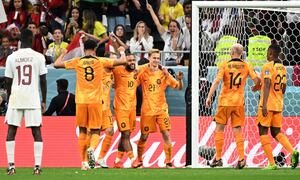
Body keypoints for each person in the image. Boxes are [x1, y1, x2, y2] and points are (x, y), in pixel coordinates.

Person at [54, 39, 127, 170]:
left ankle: (84, 163)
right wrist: (122, 52)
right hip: (95, 101)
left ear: (84, 48)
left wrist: (63, 53)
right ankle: (92, 149)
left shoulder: (78, 61)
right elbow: (123, 61)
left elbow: (56, 64)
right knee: (95, 130)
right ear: (95, 49)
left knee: (82, 130)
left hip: (81, 100)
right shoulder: (100, 61)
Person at [205, 43, 260, 169]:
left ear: (231, 52)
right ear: (241, 53)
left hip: (225, 102)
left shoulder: (225, 64)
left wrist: (209, 96)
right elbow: (257, 80)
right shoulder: (246, 66)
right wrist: (256, 87)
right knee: (237, 130)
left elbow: (217, 81)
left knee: (219, 129)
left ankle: (218, 158)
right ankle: (241, 159)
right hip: (238, 103)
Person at [5, 29, 47, 175]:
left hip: (16, 97)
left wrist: (10, 98)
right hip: (32, 98)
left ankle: (11, 166)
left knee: (11, 131)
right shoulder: (39, 57)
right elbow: (43, 80)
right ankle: (37, 167)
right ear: (32, 39)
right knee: (36, 132)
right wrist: (44, 100)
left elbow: (8, 81)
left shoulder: (12, 57)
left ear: (20, 40)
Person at [132, 49, 184, 168]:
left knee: (166, 134)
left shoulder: (164, 72)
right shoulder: (142, 70)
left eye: (157, 58)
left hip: (162, 109)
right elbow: (132, 81)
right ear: (149, 58)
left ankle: (168, 162)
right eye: (154, 58)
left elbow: (178, 87)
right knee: (144, 137)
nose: (156, 60)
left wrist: (180, 79)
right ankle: (139, 160)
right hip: (147, 110)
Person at [252, 44, 299, 170]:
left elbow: (267, 83)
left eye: (268, 53)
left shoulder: (267, 66)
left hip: (268, 104)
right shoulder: (282, 68)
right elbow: (283, 88)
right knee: (276, 132)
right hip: (279, 104)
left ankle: (272, 164)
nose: (266, 55)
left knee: (262, 130)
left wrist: (265, 104)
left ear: (272, 54)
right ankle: (293, 151)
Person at [112, 52, 143, 168]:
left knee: (126, 135)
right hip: (121, 108)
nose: (131, 62)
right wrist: (119, 53)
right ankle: (133, 160)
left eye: (133, 60)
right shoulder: (118, 70)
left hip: (132, 109)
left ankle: (117, 161)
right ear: (124, 62)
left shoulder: (136, 73)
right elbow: (109, 64)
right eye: (129, 61)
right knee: (125, 133)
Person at [94, 66, 114, 168]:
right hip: (96, 107)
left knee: (110, 131)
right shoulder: (97, 71)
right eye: (112, 61)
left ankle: (101, 158)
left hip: (106, 108)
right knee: (94, 132)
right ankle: (87, 159)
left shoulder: (112, 73)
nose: (114, 63)